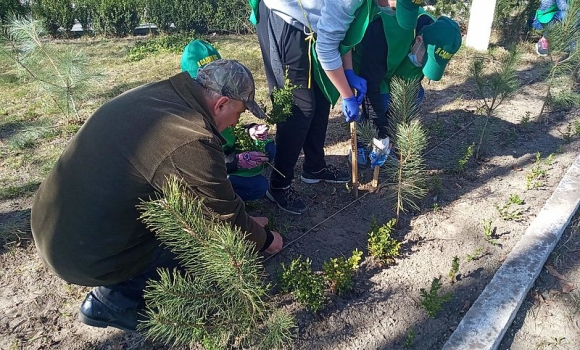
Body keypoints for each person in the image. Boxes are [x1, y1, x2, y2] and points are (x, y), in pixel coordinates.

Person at [30, 59, 283, 332]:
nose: (237, 121)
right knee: (198, 238)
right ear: (221, 104)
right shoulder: (189, 136)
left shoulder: (160, 95)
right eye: (239, 112)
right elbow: (222, 217)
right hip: (81, 254)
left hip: (52, 223)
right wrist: (266, 239)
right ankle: (113, 300)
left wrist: (247, 221)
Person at [251, 0, 375, 215]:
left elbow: (341, 31)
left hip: (309, 22)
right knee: (299, 107)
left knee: (321, 94)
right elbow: (327, 46)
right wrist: (347, 94)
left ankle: (314, 167)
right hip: (284, 16)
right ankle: (279, 185)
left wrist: (348, 71)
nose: (389, 9)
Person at [352, 1, 462, 167]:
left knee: (416, 95)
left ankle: (389, 142)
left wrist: (390, 131)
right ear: (418, 39)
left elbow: (414, 82)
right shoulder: (384, 29)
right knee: (379, 103)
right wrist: (380, 131)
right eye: (425, 60)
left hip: (397, 70)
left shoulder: (434, 34)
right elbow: (372, 86)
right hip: (371, 68)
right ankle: (360, 141)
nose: (424, 66)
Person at [181, 39, 276, 201]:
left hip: (227, 153)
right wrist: (236, 162)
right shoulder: (190, 120)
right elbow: (202, 166)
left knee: (270, 149)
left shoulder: (216, 106)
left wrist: (249, 130)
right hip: (216, 165)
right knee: (257, 186)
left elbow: (231, 131)